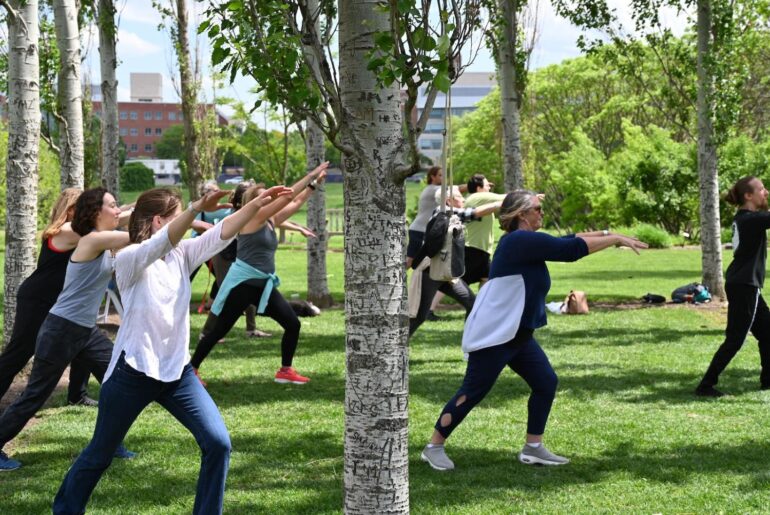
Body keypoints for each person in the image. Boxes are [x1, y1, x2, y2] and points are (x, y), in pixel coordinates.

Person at [52, 184, 293, 515]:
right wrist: (195, 208)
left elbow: (221, 233)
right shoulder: (129, 259)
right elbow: (160, 243)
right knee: (100, 453)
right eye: (176, 217)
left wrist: (257, 205)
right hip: (133, 371)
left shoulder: (182, 254)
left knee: (218, 443)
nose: (184, 223)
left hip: (177, 373)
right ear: (157, 222)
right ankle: (65, 509)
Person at [420, 189, 647, 471]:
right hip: (497, 334)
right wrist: (613, 239)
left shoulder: (525, 241)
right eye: (537, 209)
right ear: (521, 214)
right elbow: (569, 251)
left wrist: (606, 234)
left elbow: (568, 240)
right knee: (474, 390)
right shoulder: (519, 240)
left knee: (545, 382)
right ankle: (434, 447)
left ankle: (533, 447)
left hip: (518, 333)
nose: (542, 213)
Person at [0, 188, 134, 471]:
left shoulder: (89, 233)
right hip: (42, 304)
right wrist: (164, 213)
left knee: (115, 378)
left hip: (79, 323)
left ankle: (107, 441)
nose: (113, 210)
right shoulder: (71, 231)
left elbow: (119, 217)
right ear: (75, 210)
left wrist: (142, 206)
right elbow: (123, 225)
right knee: (21, 364)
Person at [190, 163, 329, 385]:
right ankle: (192, 370)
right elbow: (287, 196)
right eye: (265, 197)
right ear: (254, 202)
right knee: (218, 331)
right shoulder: (251, 219)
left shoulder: (270, 221)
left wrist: (313, 184)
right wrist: (310, 174)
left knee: (293, 324)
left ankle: (285, 370)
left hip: (263, 284)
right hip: (242, 285)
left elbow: (295, 201)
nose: (270, 199)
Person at [0, 189, 98, 407]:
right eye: (85, 208)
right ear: (71, 210)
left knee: (82, 340)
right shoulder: (66, 230)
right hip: (37, 299)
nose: (90, 213)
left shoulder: (74, 230)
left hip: (56, 299)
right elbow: (100, 229)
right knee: (19, 353)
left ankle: (77, 395)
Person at [696, 176, 770, 397]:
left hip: (744, 284)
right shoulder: (750, 220)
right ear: (749, 195)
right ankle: (705, 386)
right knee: (736, 339)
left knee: (768, 333)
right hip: (744, 285)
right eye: (762, 189)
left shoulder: (746, 218)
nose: (766, 192)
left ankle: (768, 381)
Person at [408, 186, 501, 338]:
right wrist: (499, 204)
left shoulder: (450, 213)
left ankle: (471, 343)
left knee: (472, 303)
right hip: (431, 271)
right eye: (460, 197)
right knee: (419, 316)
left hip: (447, 271)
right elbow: (474, 213)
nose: (464, 200)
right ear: (449, 200)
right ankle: (396, 349)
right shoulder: (441, 211)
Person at [407, 166, 446, 320]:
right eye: (441, 175)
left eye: (444, 175)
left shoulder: (436, 189)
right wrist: (469, 186)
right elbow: (454, 189)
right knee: (411, 262)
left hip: (422, 230)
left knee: (415, 262)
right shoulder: (432, 189)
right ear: (432, 177)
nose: (443, 178)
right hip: (419, 230)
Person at [463, 174, 507, 286]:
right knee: (456, 281)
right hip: (473, 248)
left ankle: (482, 303)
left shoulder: (480, 200)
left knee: (487, 278)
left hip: (481, 248)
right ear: (479, 188)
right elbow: (505, 198)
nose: (489, 188)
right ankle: (431, 303)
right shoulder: (477, 197)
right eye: (487, 185)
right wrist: (528, 196)